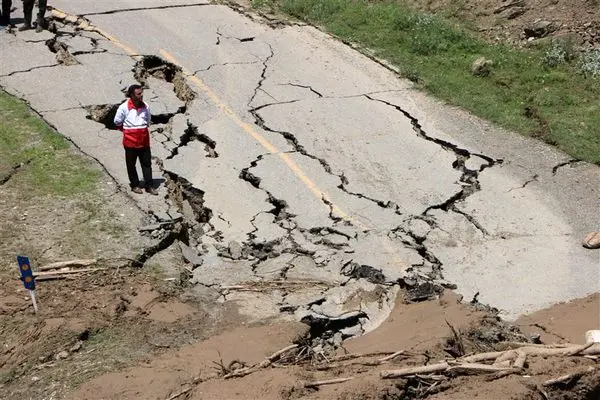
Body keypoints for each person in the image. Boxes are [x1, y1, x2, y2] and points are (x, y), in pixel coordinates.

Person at [113, 84, 158, 195]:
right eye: (138, 94)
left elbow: (148, 120)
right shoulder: (124, 107)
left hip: (144, 141)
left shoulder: (146, 106)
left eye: (142, 93)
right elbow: (117, 121)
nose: (141, 95)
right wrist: (127, 130)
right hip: (130, 142)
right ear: (132, 95)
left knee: (146, 164)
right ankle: (135, 185)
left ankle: (149, 186)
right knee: (131, 165)